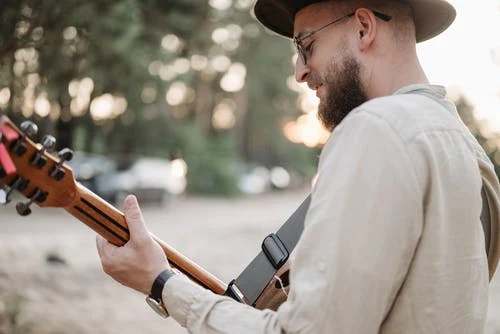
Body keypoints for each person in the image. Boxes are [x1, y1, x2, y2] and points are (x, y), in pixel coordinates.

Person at [96, 0, 500, 332]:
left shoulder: (375, 129)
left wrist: (162, 283)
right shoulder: (470, 153)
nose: (300, 72)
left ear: (363, 28)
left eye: (305, 45)